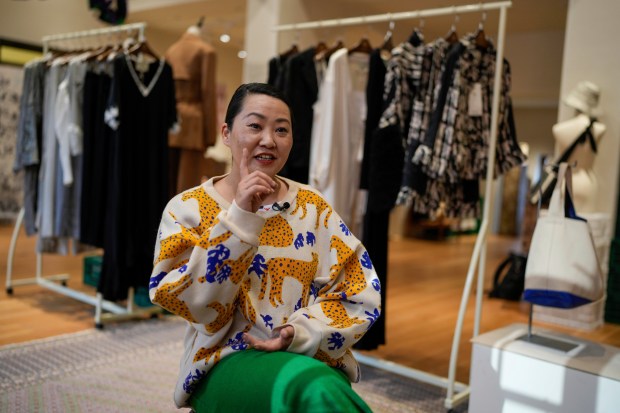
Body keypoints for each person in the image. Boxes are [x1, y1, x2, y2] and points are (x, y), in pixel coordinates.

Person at [149, 82, 381, 412]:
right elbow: (193, 304)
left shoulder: (312, 207)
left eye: (281, 130)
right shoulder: (187, 207)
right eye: (255, 125)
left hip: (307, 353)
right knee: (317, 393)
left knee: (320, 388)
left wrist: (297, 333)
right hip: (225, 358)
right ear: (227, 134)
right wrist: (241, 216)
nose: (269, 140)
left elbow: (359, 293)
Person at [552, 80, 606, 213]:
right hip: (588, 182)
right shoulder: (600, 129)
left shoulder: (560, 129)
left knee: (564, 227)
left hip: (568, 180)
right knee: (583, 228)